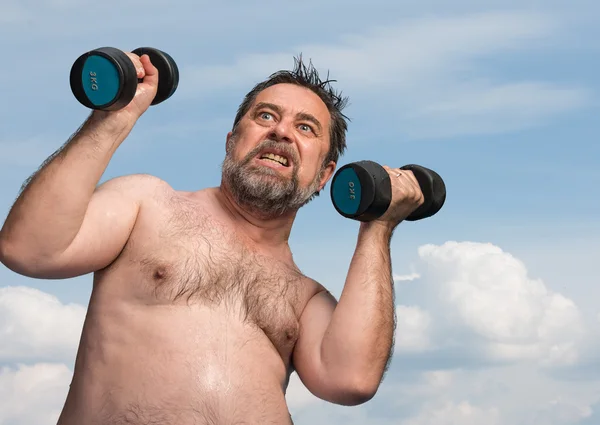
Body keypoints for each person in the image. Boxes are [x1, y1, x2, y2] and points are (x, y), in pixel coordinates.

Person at [0, 52, 424, 424]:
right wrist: (115, 117)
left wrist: (378, 227)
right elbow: (29, 249)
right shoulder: (146, 203)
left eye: (306, 128)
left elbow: (349, 381)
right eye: (265, 116)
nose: (281, 132)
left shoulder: (305, 298)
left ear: (325, 176)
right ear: (231, 141)